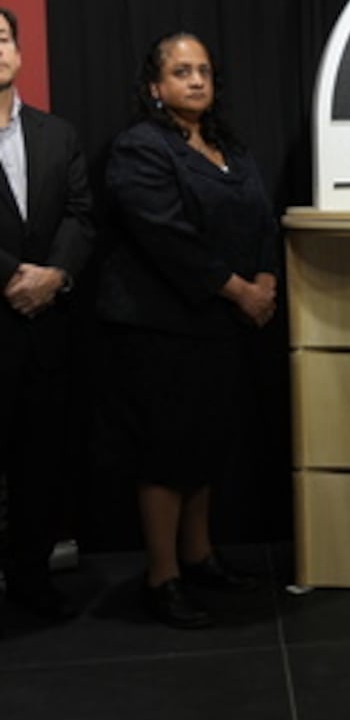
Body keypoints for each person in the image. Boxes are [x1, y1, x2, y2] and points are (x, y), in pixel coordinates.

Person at [97, 32, 279, 629]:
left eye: (203, 70)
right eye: (180, 72)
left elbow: (260, 215)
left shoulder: (229, 147)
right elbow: (169, 240)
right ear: (155, 87)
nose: (196, 80)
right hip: (161, 328)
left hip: (220, 326)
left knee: (205, 449)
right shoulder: (139, 149)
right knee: (166, 454)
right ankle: (162, 576)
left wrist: (266, 277)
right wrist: (241, 290)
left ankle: (199, 557)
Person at [0, 6, 95, 622]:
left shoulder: (57, 133)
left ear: (19, 51)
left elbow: (82, 214)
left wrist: (55, 275)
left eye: (1, 37)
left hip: (47, 329)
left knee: (40, 467)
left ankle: (31, 581)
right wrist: (11, 276)